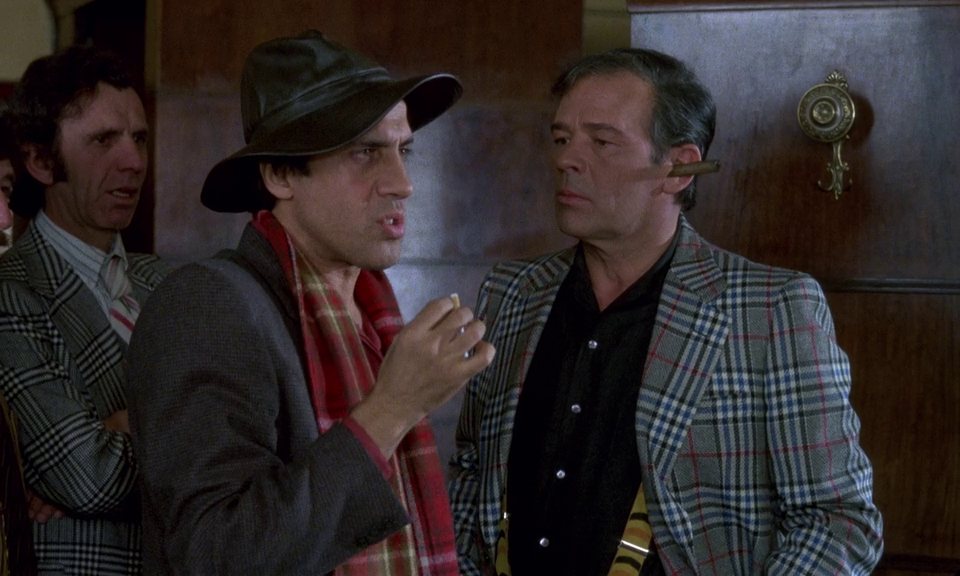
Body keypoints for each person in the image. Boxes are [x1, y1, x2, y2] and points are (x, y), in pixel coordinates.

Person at [448, 48, 883, 575]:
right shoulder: (511, 293)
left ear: (678, 168)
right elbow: (472, 473)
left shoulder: (771, 308)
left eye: (601, 142)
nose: (566, 160)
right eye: (562, 139)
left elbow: (838, 520)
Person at [125, 30, 495, 575]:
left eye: (403, 150)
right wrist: (392, 407)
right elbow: (215, 555)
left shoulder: (372, 315)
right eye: (365, 152)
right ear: (279, 174)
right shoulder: (208, 304)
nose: (402, 184)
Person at [0, 45, 171, 574]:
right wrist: (197, 429)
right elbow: (90, 477)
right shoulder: (11, 293)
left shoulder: (170, 283)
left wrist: (127, 424)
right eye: (103, 140)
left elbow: (263, 433)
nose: (133, 161)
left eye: (139, 138)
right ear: (41, 161)